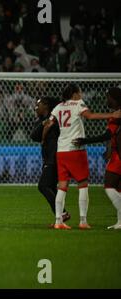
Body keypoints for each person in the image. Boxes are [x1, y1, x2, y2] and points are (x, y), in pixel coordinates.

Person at [42, 84, 121, 230]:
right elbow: (90, 116)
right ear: (75, 94)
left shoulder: (58, 107)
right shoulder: (78, 103)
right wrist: (112, 115)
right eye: (80, 92)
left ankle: (59, 221)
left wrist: (43, 140)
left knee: (62, 186)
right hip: (76, 150)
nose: (81, 94)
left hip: (62, 151)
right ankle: (83, 221)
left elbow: (47, 125)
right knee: (83, 184)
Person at [73, 87, 121, 229]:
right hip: (115, 153)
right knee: (118, 188)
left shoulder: (117, 116)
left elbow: (107, 135)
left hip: (118, 156)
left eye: (108, 97)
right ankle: (119, 222)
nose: (107, 100)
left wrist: (85, 141)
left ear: (115, 98)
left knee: (109, 185)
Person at [31, 97, 71, 226]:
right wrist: (43, 124)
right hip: (49, 157)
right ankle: (59, 219)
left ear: (46, 106)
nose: (35, 107)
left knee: (43, 186)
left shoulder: (56, 120)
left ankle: (62, 214)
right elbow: (34, 136)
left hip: (55, 157)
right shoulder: (43, 121)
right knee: (51, 187)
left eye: (38, 105)